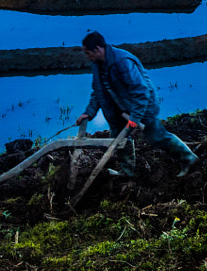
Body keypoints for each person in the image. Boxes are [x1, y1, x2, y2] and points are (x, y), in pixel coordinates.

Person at [77, 30, 198, 176]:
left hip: (143, 106)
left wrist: (134, 119)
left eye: (88, 53)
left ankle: (189, 158)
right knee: (119, 138)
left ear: (97, 49)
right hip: (118, 109)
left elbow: (141, 91)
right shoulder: (97, 64)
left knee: (156, 136)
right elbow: (97, 91)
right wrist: (88, 112)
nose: (87, 57)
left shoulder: (122, 61)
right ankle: (127, 172)